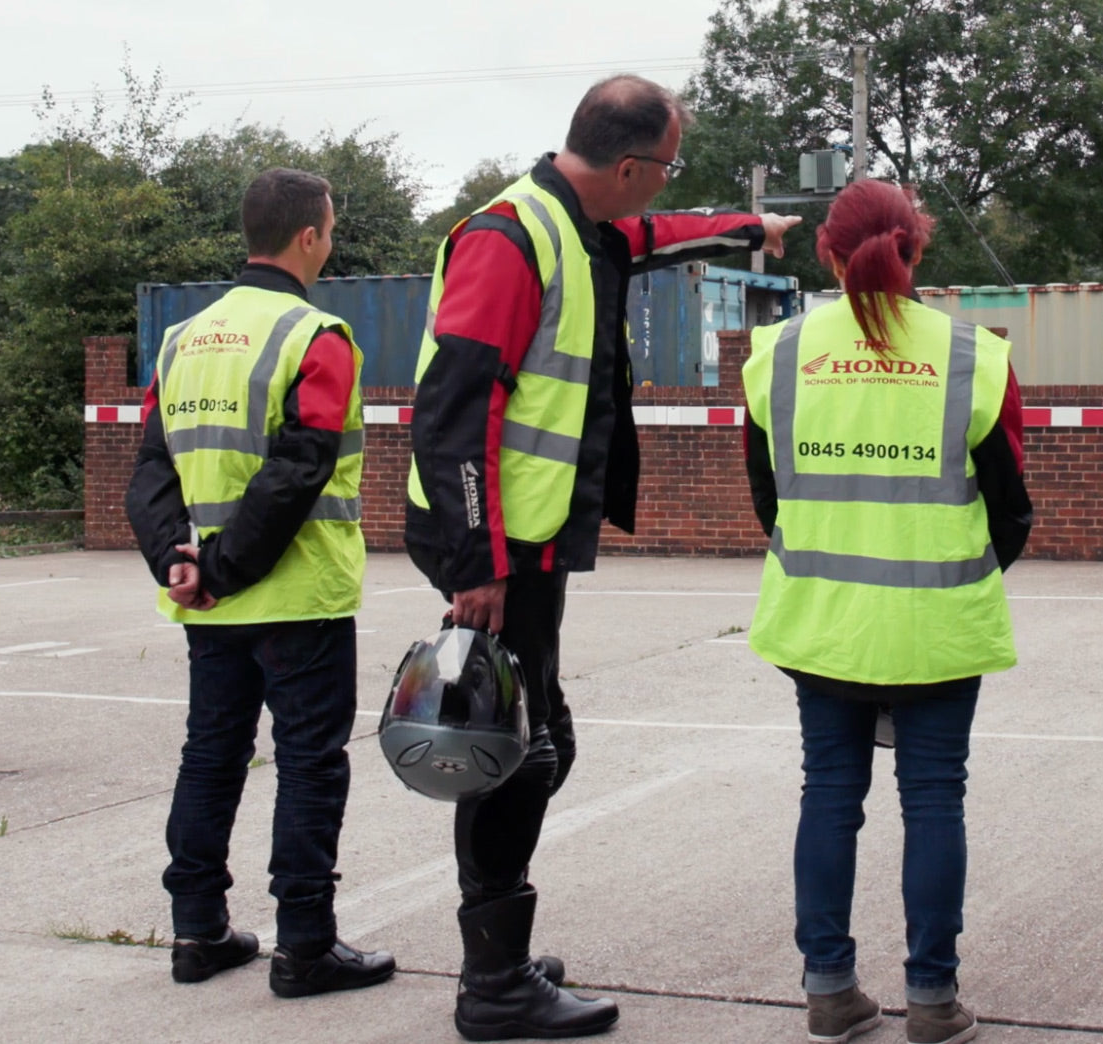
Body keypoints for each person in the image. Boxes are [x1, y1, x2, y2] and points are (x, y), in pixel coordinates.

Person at [403, 74, 800, 1040]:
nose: (666, 189)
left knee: (531, 745)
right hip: (496, 543)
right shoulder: (509, 240)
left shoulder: (580, 226)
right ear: (627, 165)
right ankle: (493, 987)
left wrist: (749, 227)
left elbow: (654, 241)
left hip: (521, 538)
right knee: (515, 751)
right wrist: (475, 563)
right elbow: (453, 414)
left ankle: (495, 954)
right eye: (664, 171)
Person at [740, 179, 1032, 1044]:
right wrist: (960, 571)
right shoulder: (975, 356)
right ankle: (933, 1003)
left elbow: (770, 497)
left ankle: (829, 990)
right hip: (939, 626)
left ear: (827, 253)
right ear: (916, 249)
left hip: (822, 620)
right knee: (934, 801)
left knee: (828, 793)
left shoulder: (777, 354)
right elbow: (1011, 506)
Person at [125, 167, 396, 998]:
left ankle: (197, 931)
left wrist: (183, 562)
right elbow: (300, 466)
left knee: (211, 757)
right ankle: (305, 943)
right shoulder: (318, 336)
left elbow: (147, 472)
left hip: (206, 604)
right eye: (332, 226)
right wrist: (226, 567)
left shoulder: (180, 340)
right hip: (298, 595)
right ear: (310, 235)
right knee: (310, 766)